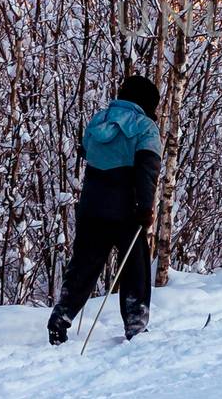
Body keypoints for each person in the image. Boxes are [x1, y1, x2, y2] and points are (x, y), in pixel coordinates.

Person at [47, 74, 162, 346]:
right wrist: (146, 209)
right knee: (135, 268)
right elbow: (148, 171)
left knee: (84, 266)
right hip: (127, 209)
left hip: (92, 206)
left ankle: (61, 317)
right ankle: (135, 326)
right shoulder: (145, 127)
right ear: (146, 102)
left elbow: (86, 152)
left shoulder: (98, 121)